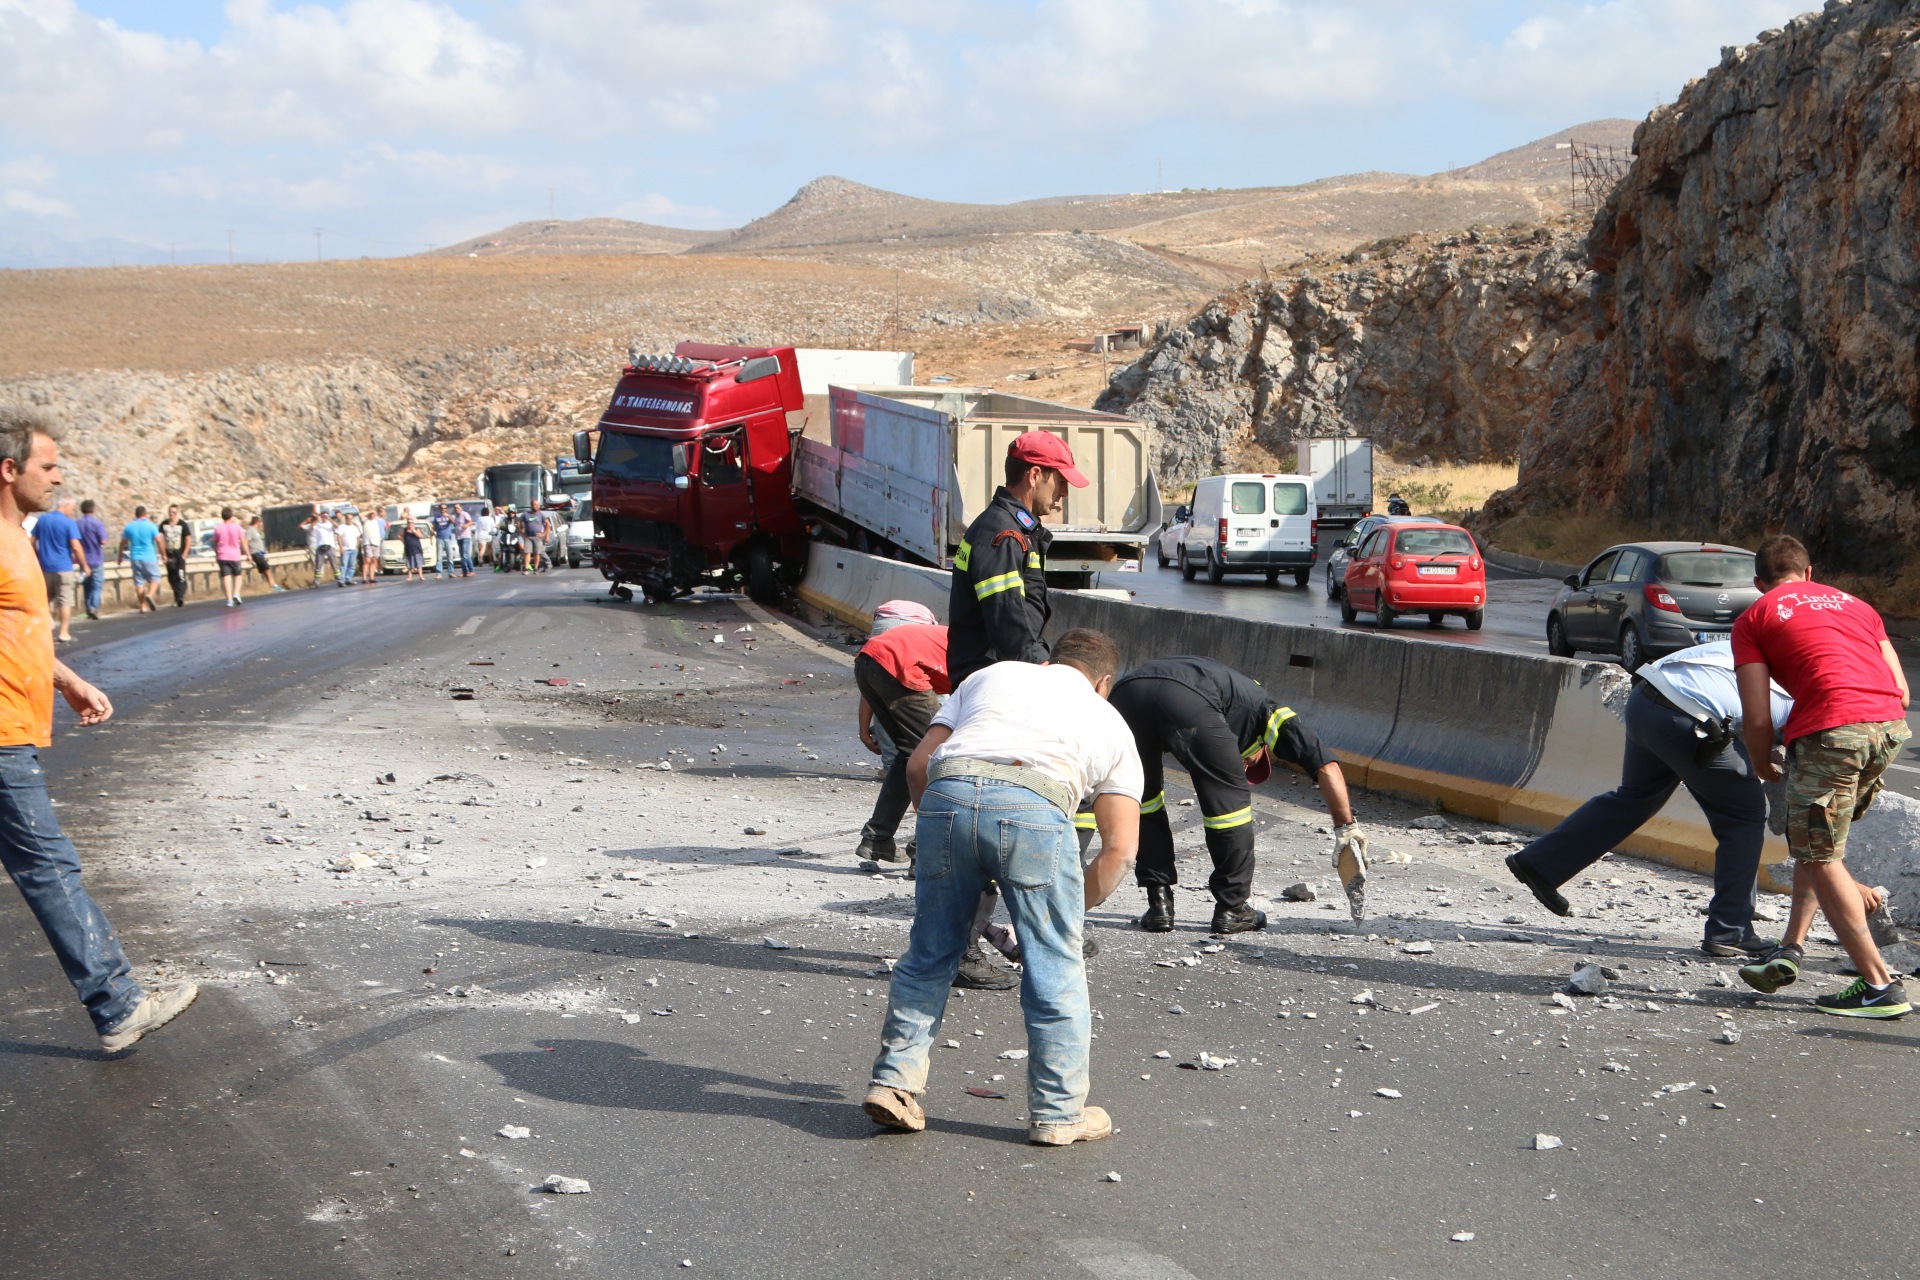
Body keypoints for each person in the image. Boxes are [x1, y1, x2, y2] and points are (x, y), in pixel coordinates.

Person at [863, 628, 1142, 1145]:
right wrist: (1067, 911)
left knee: (930, 952)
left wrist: (950, 832)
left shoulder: (991, 676)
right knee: (1055, 964)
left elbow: (919, 764)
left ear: (1048, 663)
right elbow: (1120, 851)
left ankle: (894, 1085)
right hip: (1036, 806)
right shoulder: (1110, 720)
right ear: (1103, 683)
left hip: (948, 795)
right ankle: (1058, 1114)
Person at [0, 407, 199, 1051]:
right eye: (49, 466)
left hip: (15, 728)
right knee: (48, 866)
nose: (59, 478)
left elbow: (17, 630)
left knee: (45, 865)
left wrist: (66, 679)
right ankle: (117, 1005)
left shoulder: (17, 536)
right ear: (9, 470)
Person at [1506, 640, 1790, 955]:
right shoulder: (1807, 691)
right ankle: (1730, 930)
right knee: (1744, 816)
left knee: (1636, 797)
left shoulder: (1755, 648)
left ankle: (1540, 864)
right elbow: (1789, 745)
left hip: (1646, 697)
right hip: (1689, 717)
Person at [1732, 534, 1912, 1018]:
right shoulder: (1858, 606)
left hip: (1832, 733)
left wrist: (1760, 761)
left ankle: (1879, 986)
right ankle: (1791, 946)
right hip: (1888, 730)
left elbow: (1756, 717)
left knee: (1820, 853)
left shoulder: (1755, 617)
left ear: (1758, 583)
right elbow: (1902, 691)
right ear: (1809, 573)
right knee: (1816, 844)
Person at [1105, 655, 1362, 934]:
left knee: (1143, 801)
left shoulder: (1232, 694)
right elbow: (1326, 765)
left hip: (1126, 695)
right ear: (1261, 743)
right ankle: (1233, 908)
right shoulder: (1267, 711)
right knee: (1229, 810)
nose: (1243, 764)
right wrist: (1346, 827)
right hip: (1185, 699)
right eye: (1250, 760)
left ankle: (1159, 906)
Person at [947, 432, 1086, 687]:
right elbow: (1007, 618)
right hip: (990, 681)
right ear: (1034, 476)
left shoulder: (1012, 528)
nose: (1064, 492)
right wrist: (1043, 670)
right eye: (1060, 480)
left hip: (997, 675)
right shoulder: (1004, 535)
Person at [854, 619, 949, 865]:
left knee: (911, 753)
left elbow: (881, 665)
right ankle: (924, 853)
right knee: (938, 757)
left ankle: (877, 838)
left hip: (867, 660)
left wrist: (864, 730)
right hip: (900, 666)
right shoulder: (995, 661)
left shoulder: (978, 645)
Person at [31, 496, 84, 644]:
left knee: (45, 598)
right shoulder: (69, 523)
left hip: (44, 567)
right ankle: (63, 633)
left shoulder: (42, 520)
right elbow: (76, 546)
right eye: (72, 509)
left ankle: (48, 623)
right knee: (65, 600)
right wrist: (84, 565)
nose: (73, 512)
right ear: (65, 506)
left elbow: (32, 542)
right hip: (64, 567)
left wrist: (37, 557)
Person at [119, 504, 162, 612]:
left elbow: (123, 543)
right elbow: (159, 541)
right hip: (149, 557)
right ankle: (150, 595)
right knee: (155, 578)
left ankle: (143, 606)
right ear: (145, 514)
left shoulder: (129, 526)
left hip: (135, 558)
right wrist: (163, 554)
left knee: (139, 582)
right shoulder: (151, 526)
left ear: (136, 515)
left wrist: (119, 556)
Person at [76, 499, 107, 620]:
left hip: (83, 559)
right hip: (96, 558)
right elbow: (103, 541)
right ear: (93, 509)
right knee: (97, 585)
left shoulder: (77, 524)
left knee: (87, 585)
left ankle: (88, 608)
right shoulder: (97, 524)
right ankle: (94, 607)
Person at [157, 504, 191, 606]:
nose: (172, 514)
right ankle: (177, 597)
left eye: (174, 512)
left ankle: (179, 597)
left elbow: (188, 539)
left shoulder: (183, 525)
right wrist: (163, 554)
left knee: (180, 577)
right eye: (170, 512)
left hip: (179, 555)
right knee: (171, 578)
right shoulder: (164, 524)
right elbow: (160, 539)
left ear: (177, 513)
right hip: (169, 555)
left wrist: (185, 553)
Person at [212, 507, 247, 606]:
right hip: (235, 555)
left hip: (222, 555)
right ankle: (236, 593)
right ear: (231, 516)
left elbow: (215, 543)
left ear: (222, 516)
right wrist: (248, 554)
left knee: (226, 577)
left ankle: (229, 599)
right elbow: (243, 542)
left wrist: (217, 553)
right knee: (237, 575)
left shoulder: (218, 528)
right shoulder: (237, 527)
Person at [245, 515, 282, 591]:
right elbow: (246, 542)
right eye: (260, 522)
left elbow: (259, 545)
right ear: (257, 522)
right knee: (266, 569)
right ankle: (274, 585)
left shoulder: (256, 531)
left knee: (265, 570)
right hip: (255, 553)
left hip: (260, 553)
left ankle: (271, 586)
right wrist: (248, 555)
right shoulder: (250, 530)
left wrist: (264, 555)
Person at [302, 506, 336, 586]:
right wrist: (317, 520)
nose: (324, 518)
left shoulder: (330, 524)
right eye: (323, 516)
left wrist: (329, 519)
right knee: (318, 566)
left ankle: (339, 579)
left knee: (334, 565)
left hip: (330, 546)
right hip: (320, 546)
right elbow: (310, 527)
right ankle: (316, 582)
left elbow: (337, 526)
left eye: (325, 516)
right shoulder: (317, 525)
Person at [359, 508, 384, 586]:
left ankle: (371, 577)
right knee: (367, 560)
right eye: (371, 514)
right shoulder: (365, 520)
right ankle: (364, 578)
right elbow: (360, 515)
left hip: (376, 542)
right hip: (368, 543)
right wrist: (369, 511)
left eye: (374, 514)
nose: (373, 515)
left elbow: (382, 516)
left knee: (374, 560)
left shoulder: (376, 520)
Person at [334, 512, 358, 587]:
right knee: (344, 565)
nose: (349, 520)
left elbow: (358, 537)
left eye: (351, 518)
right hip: (345, 549)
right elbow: (339, 537)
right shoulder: (342, 527)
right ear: (346, 519)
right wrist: (341, 547)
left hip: (353, 548)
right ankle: (342, 580)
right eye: (348, 518)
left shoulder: (354, 527)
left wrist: (357, 546)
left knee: (352, 565)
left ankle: (349, 579)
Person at [433, 504, 456, 579]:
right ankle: (439, 573)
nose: (443, 509)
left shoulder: (449, 516)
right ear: (440, 509)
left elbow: (454, 521)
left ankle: (451, 572)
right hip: (440, 538)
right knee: (439, 557)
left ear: (446, 509)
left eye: (444, 508)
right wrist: (432, 535)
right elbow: (434, 527)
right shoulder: (437, 517)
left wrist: (448, 516)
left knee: (450, 557)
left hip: (448, 538)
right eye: (442, 508)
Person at [401, 514, 425, 582]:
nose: (410, 524)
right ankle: (410, 576)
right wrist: (402, 541)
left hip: (416, 549)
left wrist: (413, 530)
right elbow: (399, 535)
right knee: (409, 564)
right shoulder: (405, 530)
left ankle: (421, 576)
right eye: (409, 523)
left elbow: (419, 535)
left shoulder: (417, 529)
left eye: (411, 523)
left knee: (419, 563)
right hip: (408, 549)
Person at [454, 503, 476, 577]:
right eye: (455, 508)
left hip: (465, 536)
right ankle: (464, 572)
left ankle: (471, 570)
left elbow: (470, 522)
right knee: (462, 555)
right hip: (459, 537)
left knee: (465, 555)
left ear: (461, 508)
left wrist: (465, 525)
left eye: (457, 508)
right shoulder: (456, 517)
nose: (456, 509)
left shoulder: (465, 514)